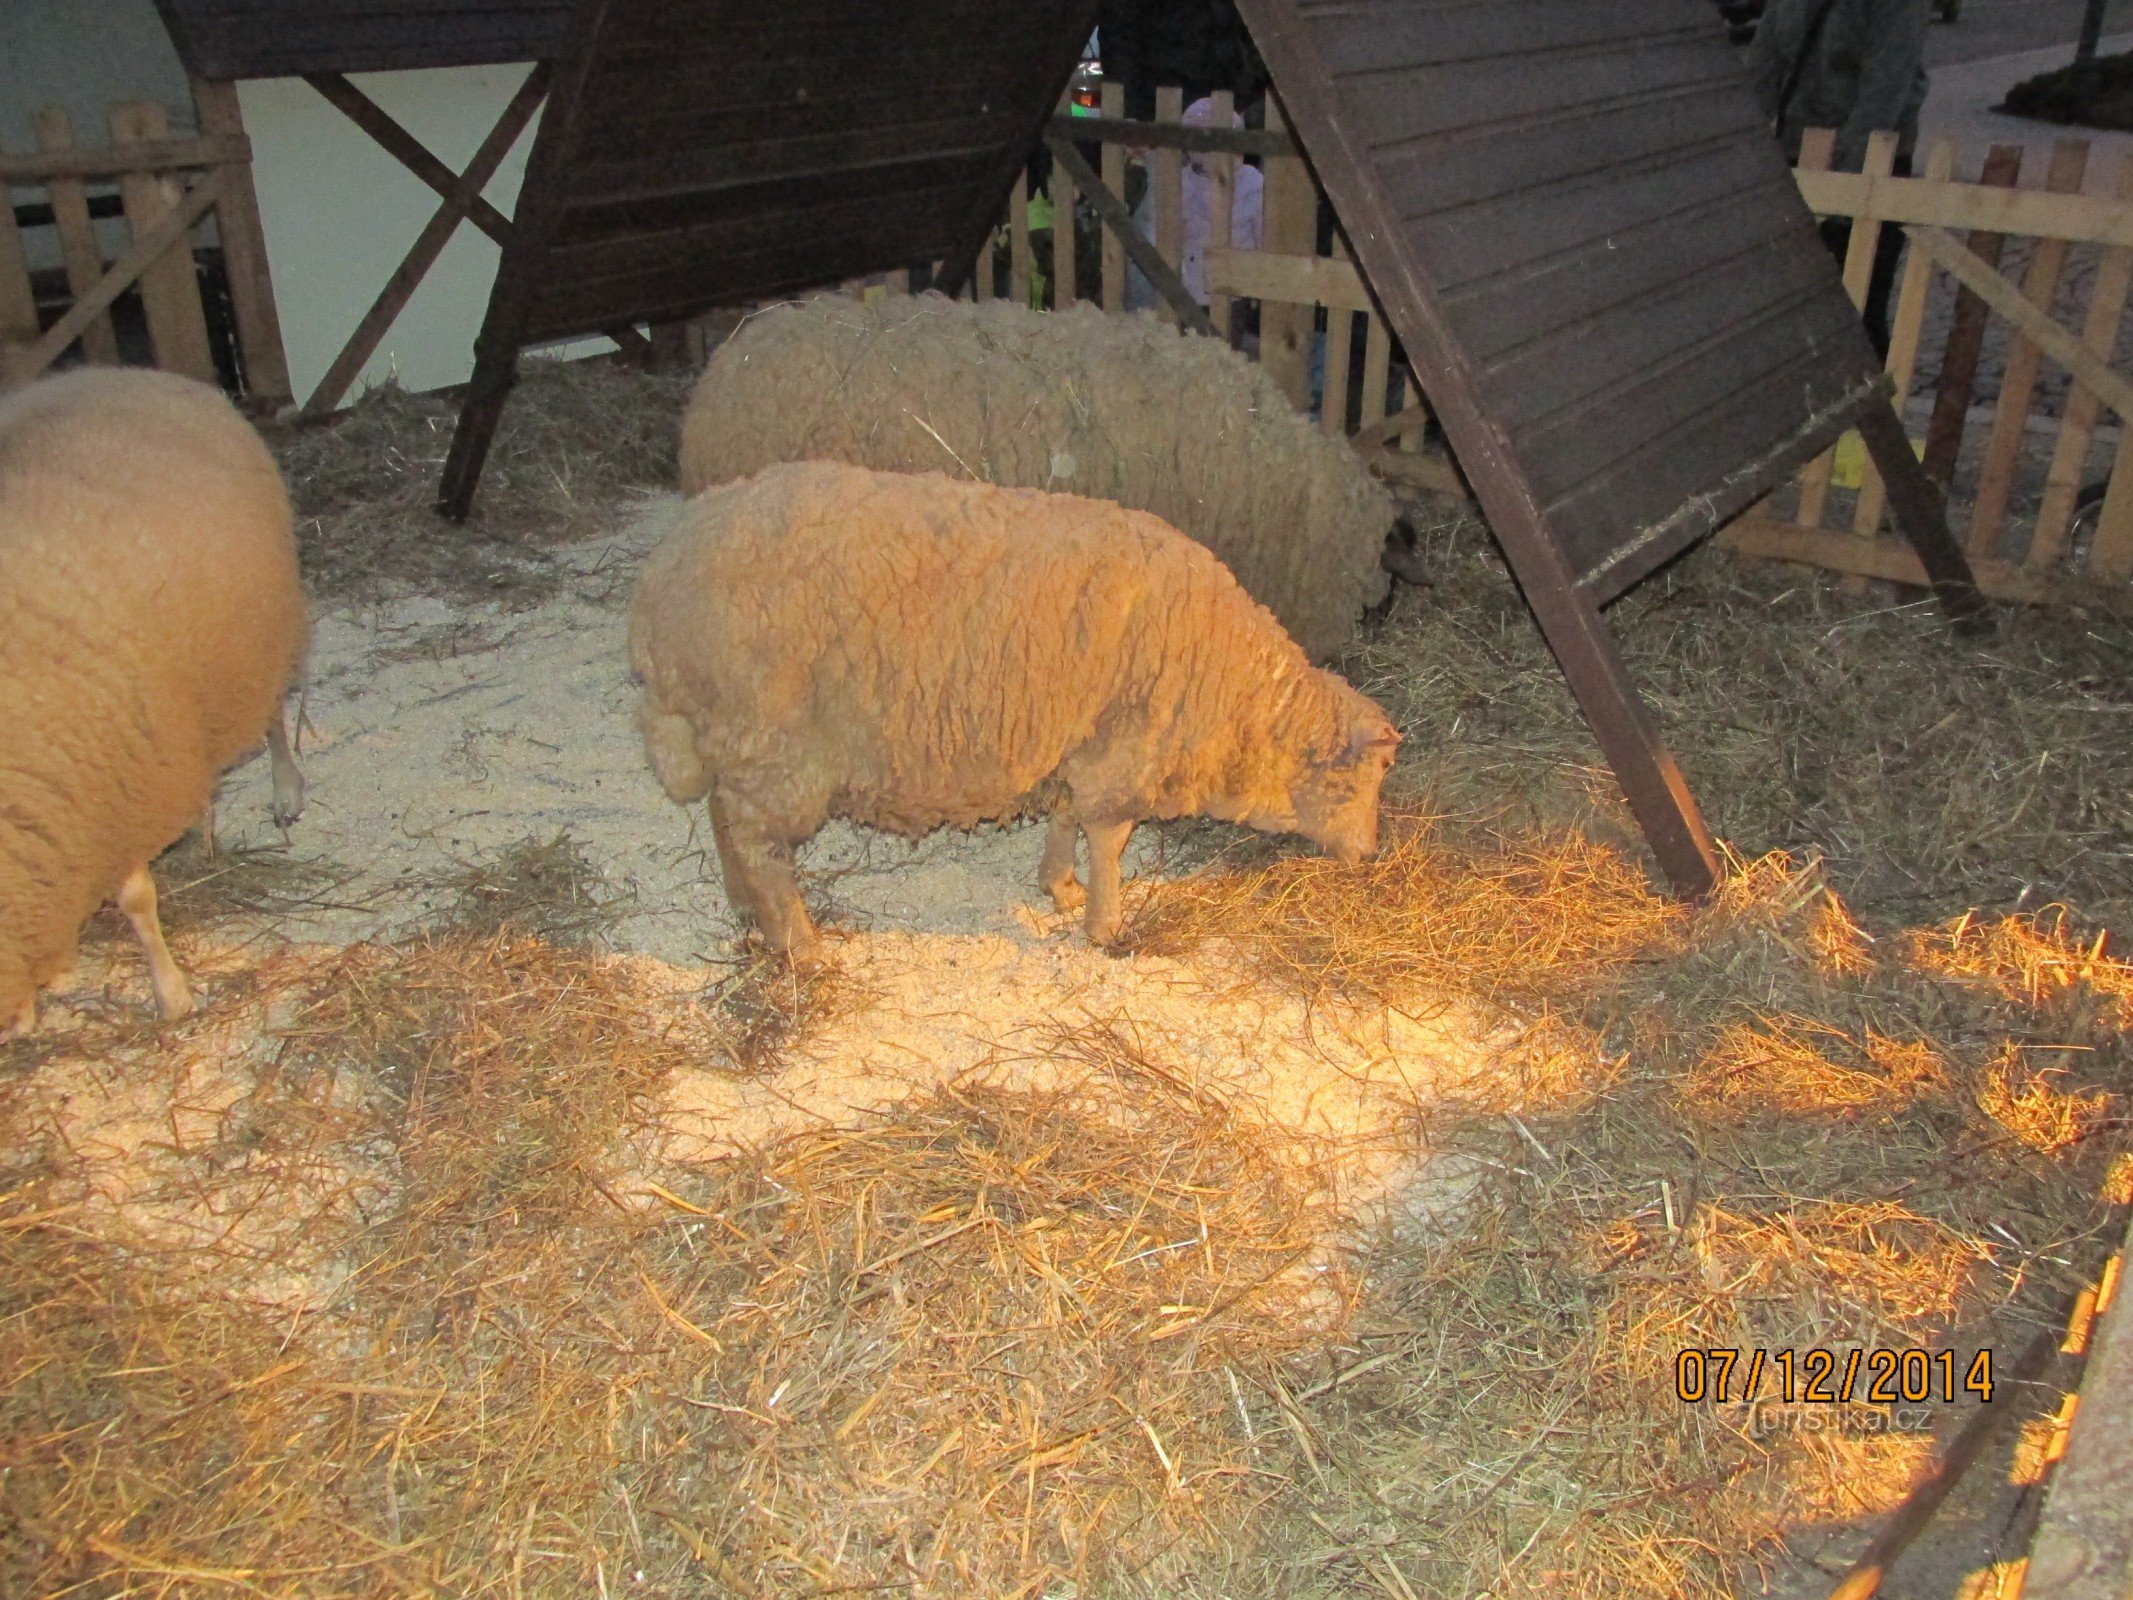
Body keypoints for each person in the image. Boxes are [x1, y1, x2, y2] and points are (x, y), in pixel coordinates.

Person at [1748, 0, 1930, 357]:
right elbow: (1761, 73)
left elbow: (1884, 87)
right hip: (1799, 152)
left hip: (1872, 165)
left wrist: (1844, 197)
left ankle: (1865, 406)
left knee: (1858, 311)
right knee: (1792, 312)